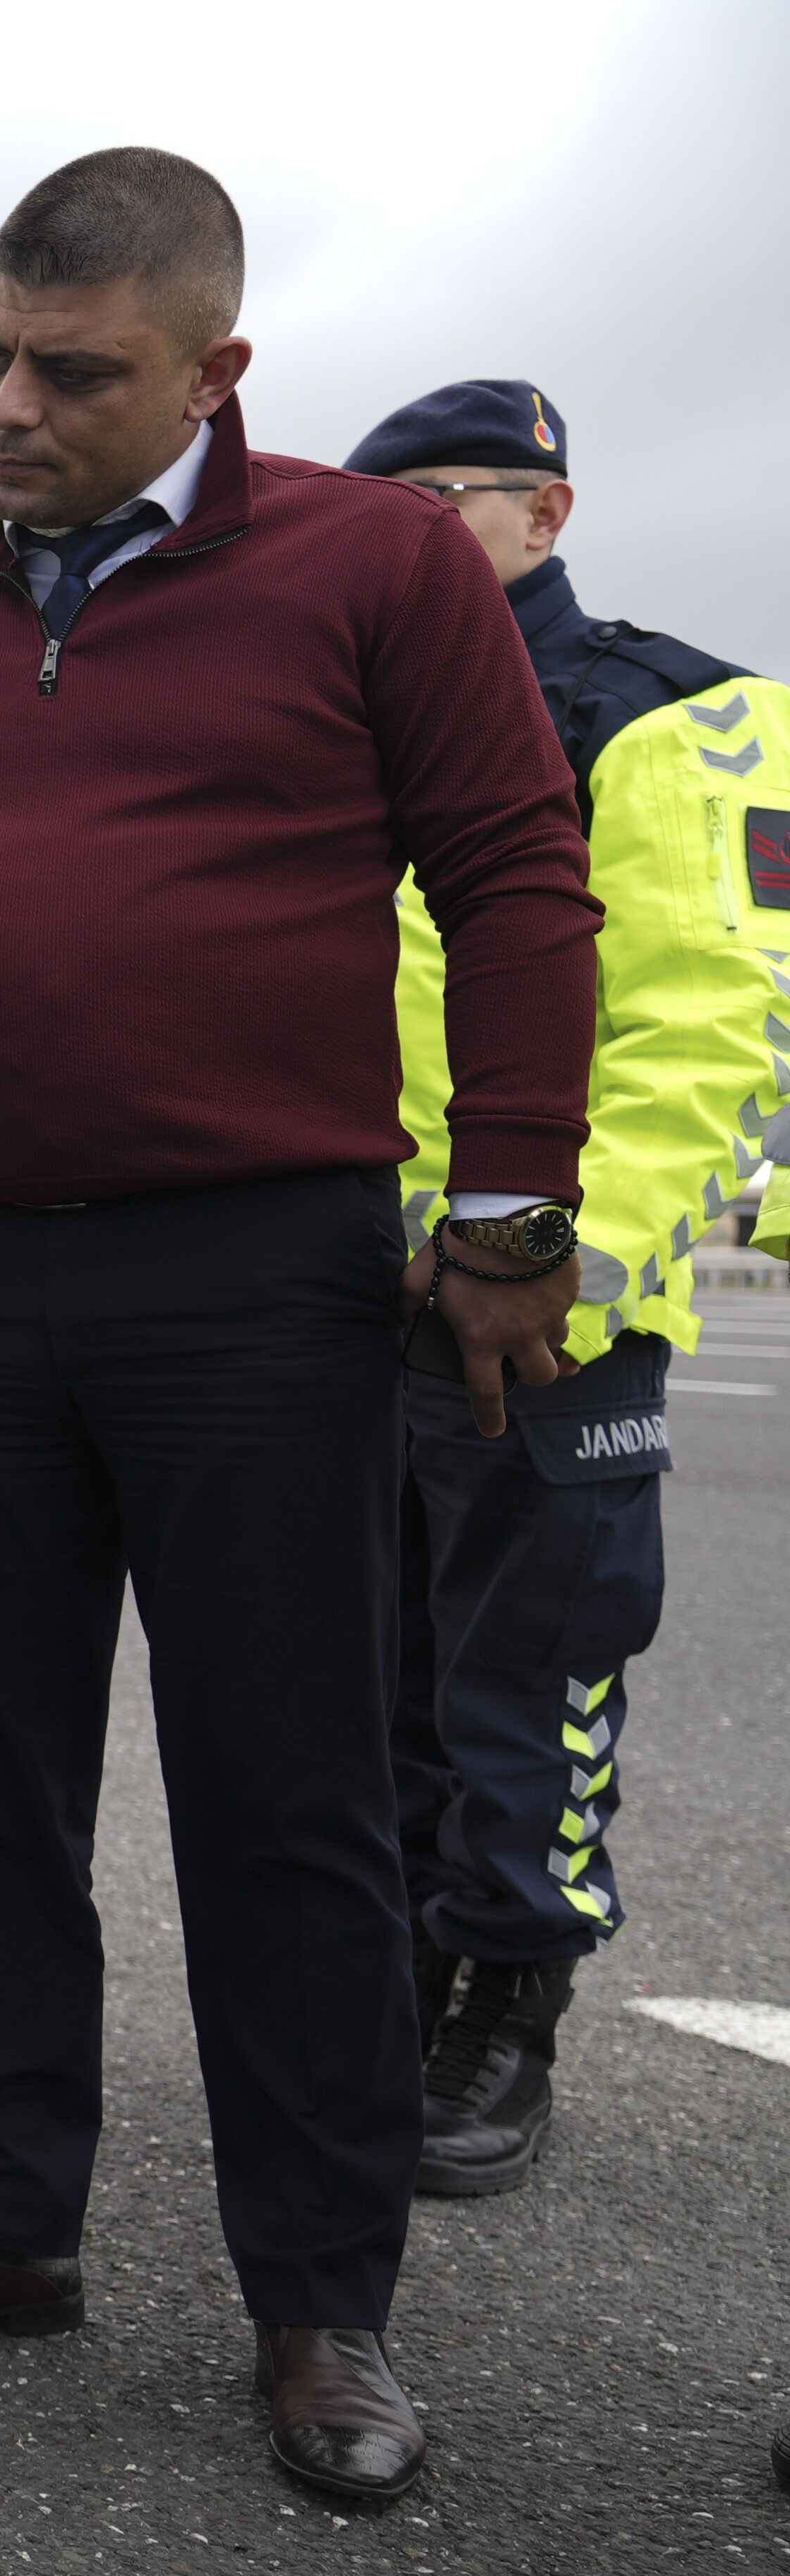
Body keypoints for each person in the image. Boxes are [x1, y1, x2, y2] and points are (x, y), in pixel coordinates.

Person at [0, 150, 597, 2505]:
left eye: (74, 374)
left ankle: (323, 2305)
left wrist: (514, 1211)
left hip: (264, 1271)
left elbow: (520, 874)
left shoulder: (372, 567)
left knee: (288, 1805)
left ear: (214, 372)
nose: (11, 408)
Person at [346, 380, 789, 2201]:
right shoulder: (339, 716)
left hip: (544, 1303)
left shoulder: (672, 716)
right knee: (366, 1680)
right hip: (337, 1294)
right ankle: (390, 1976)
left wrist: (569, 1260)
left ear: (552, 511)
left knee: (530, 1674)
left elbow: (714, 1024)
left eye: (459, 500)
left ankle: (508, 2001)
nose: (424, 535)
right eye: (393, 509)